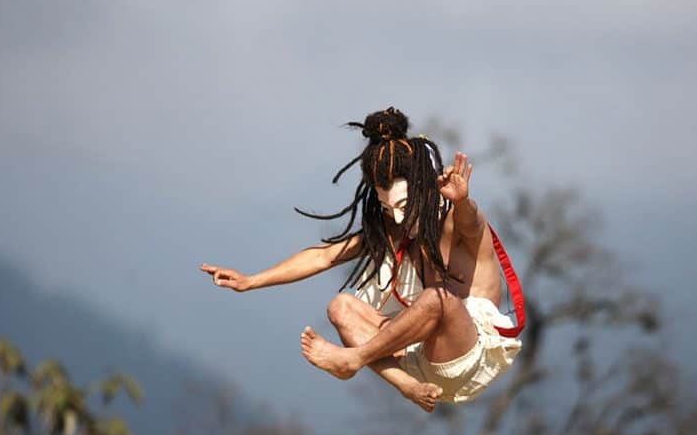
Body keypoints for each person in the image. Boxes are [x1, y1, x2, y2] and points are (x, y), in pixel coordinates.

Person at [201, 107, 523, 413]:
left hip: (469, 356)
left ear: (426, 189)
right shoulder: (395, 232)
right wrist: (251, 281)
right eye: (387, 208)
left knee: (438, 298)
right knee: (341, 306)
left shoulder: (457, 222)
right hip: (421, 365)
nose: (397, 217)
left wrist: (463, 201)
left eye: (403, 205)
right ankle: (405, 385)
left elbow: (471, 221)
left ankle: (353, 359)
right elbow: (324, 256)